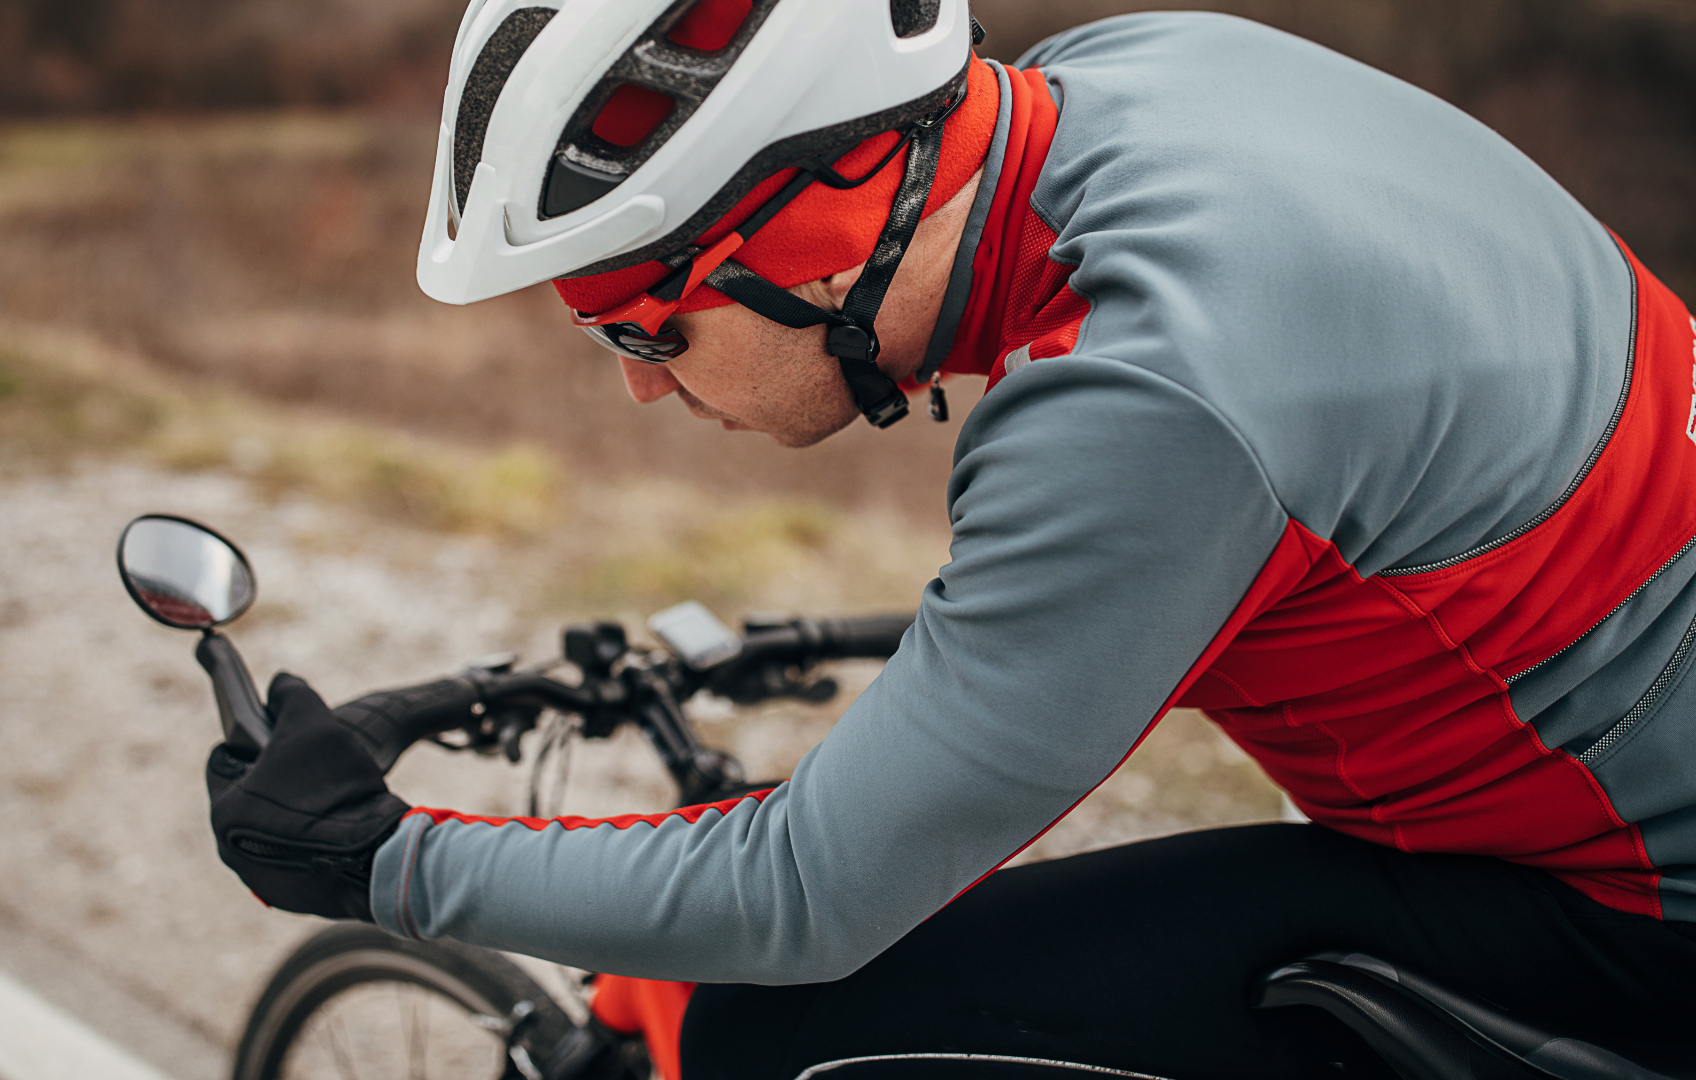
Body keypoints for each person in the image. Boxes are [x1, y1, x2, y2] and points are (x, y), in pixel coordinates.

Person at [202, 1, 1696, 1076]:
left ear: (817, 230)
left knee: (767, 1029)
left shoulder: (1147, 391)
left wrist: (381, 860)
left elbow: (803, 898)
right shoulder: (1147, 70)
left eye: (644, 323)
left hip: (1631, 922)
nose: (641, 384)